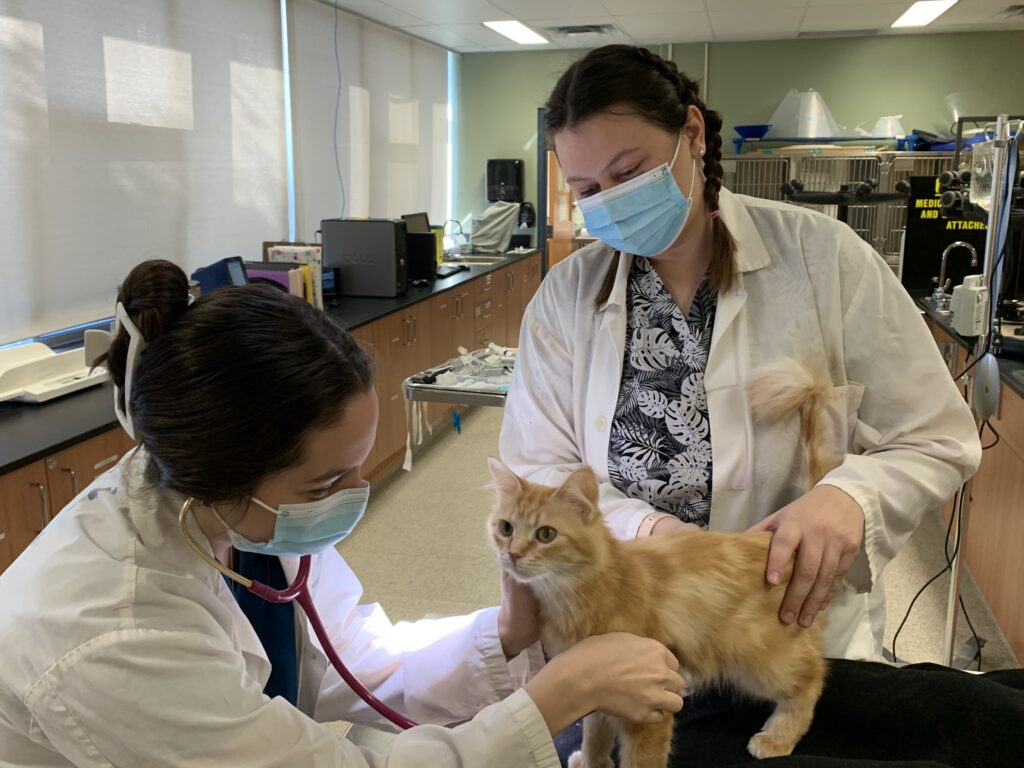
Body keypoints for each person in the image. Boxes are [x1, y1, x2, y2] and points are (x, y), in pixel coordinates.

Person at [0, 259, 685, 767]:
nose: (356, 493)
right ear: (232, 473)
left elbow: (355, 659)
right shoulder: (115, 636)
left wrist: (506, 633)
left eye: (359, 465)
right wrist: (559, 697)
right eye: (330, 479)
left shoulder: (238, 511)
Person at [500, 44, 982, 662]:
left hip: (787, 629)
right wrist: (654, 532)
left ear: (692, 133)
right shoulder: (564, 299)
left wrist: (849, 499)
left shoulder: (827, 260)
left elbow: (936, 438)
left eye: (628, 174)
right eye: (588, 188)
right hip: (625, 625)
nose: (611, 201)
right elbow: (538, 463)